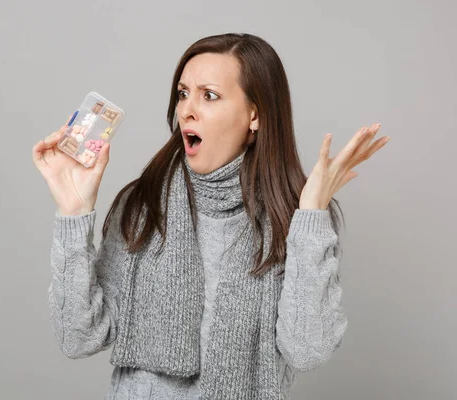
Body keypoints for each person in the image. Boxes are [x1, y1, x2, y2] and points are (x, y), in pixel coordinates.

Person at [32, 33, 390, 400]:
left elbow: (307, 350)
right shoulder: (143, 205)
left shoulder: (296, 221)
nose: (186, 109)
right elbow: (78, 337)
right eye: (183, 93)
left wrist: (312, 213)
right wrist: (72, 216)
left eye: (210, 95)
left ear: (255, 115)